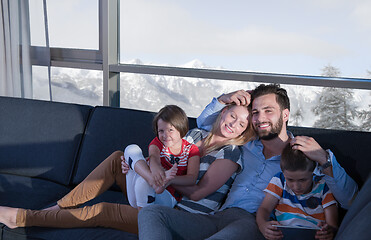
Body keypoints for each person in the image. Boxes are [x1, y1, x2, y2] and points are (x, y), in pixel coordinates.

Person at [138, 84, 358, 240]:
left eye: (268, 111)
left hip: (254, 223)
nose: (260, 118)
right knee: (151, 213)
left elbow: (350, 200)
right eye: (255, 112)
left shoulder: (303, 155)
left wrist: (325, 159)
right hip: (216, 216)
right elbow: (206, 124)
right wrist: (223, 99)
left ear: (285, 115)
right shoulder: (245, 143)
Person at [0, 103, 255, 235]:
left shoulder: (231, 153)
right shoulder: (195, 133)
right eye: (233, 116)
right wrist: (140, 167)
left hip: (178, 214)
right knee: (118, 157)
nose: (235, 124)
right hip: (156, 191)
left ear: (245, 131)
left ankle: (21, 218)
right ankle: (61, 206)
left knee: (102, 211)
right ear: (223, 113)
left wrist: (160, 178)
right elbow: (160, 150)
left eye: (243, 123)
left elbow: (198, 193)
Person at [124, 105, 200, 209]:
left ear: (181, 128)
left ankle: (144, 217)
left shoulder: (191, 150)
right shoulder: (158, 142)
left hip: (166, 197)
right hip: (138, 192)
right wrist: (155, 171)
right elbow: (153, 157)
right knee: (131, 149)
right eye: (161, 131)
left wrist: (170, 180)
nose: (165, 135)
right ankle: (151, 180)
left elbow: (191, 179)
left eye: (170, 130)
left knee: (142, 181)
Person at [256, 143, 338, 240]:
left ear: (313, 172)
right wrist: (262, 225)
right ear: (283, 173)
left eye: (303, 180)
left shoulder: (323, 186)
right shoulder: (280, 180)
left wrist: (328, 231)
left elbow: (332, 224)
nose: (296, 186)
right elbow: (264, 208)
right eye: (290, 180)